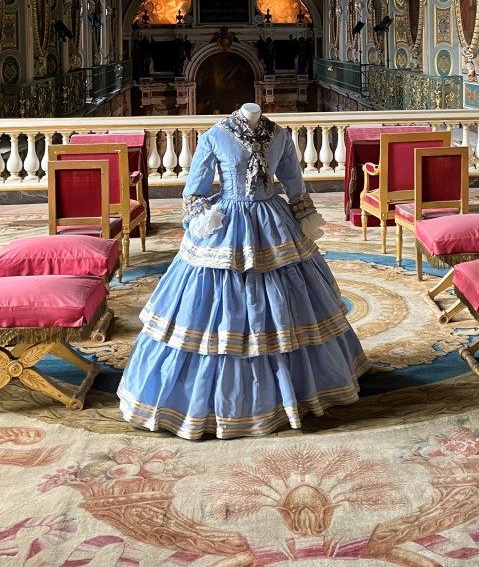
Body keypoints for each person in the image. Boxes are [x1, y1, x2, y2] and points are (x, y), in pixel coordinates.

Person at [118, 103, 367, 439]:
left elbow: (294, 182)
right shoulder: (216, 135)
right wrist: (203, 220)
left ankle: (300, 386)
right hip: (228, 220)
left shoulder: (278, 135)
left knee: (286, 299)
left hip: (273, 220)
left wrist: (304, 214)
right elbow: (195, 189)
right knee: (215, 303)